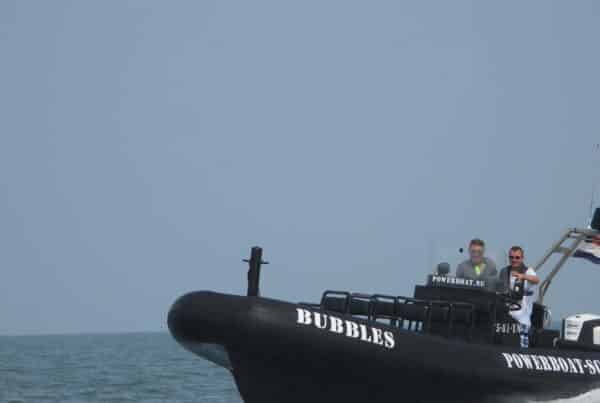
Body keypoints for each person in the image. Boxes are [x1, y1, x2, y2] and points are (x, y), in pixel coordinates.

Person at [499, 246, 539, 348]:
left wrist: (523, 276)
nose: (514, 260)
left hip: (522, 320)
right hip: (506, 319)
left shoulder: (527, 271)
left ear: (522, 258)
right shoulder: (504, 272)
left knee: (521, 348)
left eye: (517, 257)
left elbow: (536, 280)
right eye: (511, 257)